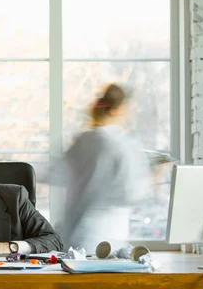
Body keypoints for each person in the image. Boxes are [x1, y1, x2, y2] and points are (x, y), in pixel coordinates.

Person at [55, 83, 154, 254]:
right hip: (105, 238)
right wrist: (157, 175)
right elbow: (132, 192)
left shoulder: (83, 140)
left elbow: (56, 174)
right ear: (117, 110)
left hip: (74, 234)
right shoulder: (121, 144)